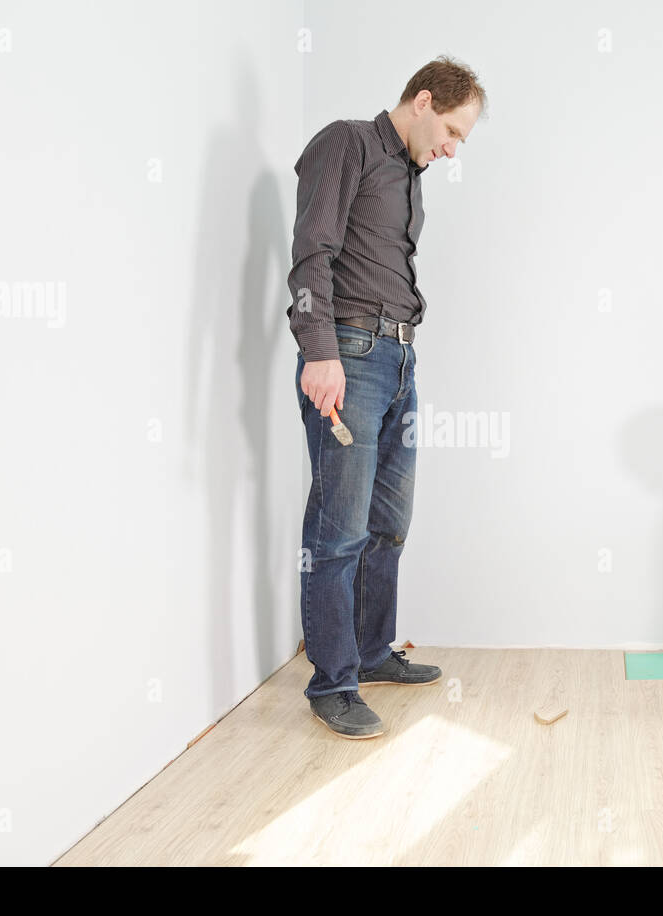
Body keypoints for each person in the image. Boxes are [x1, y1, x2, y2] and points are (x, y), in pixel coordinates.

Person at [286, 57, 486, 738]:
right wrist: (319, 351)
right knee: (337, 532)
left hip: (398, 359)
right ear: (424, 100)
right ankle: (332, 682)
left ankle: (371, 653)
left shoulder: (408, 173)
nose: (454, 149)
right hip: (349, 353)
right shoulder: (346, 142)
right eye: (453, 131)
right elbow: (312, 252)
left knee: (388, 524)